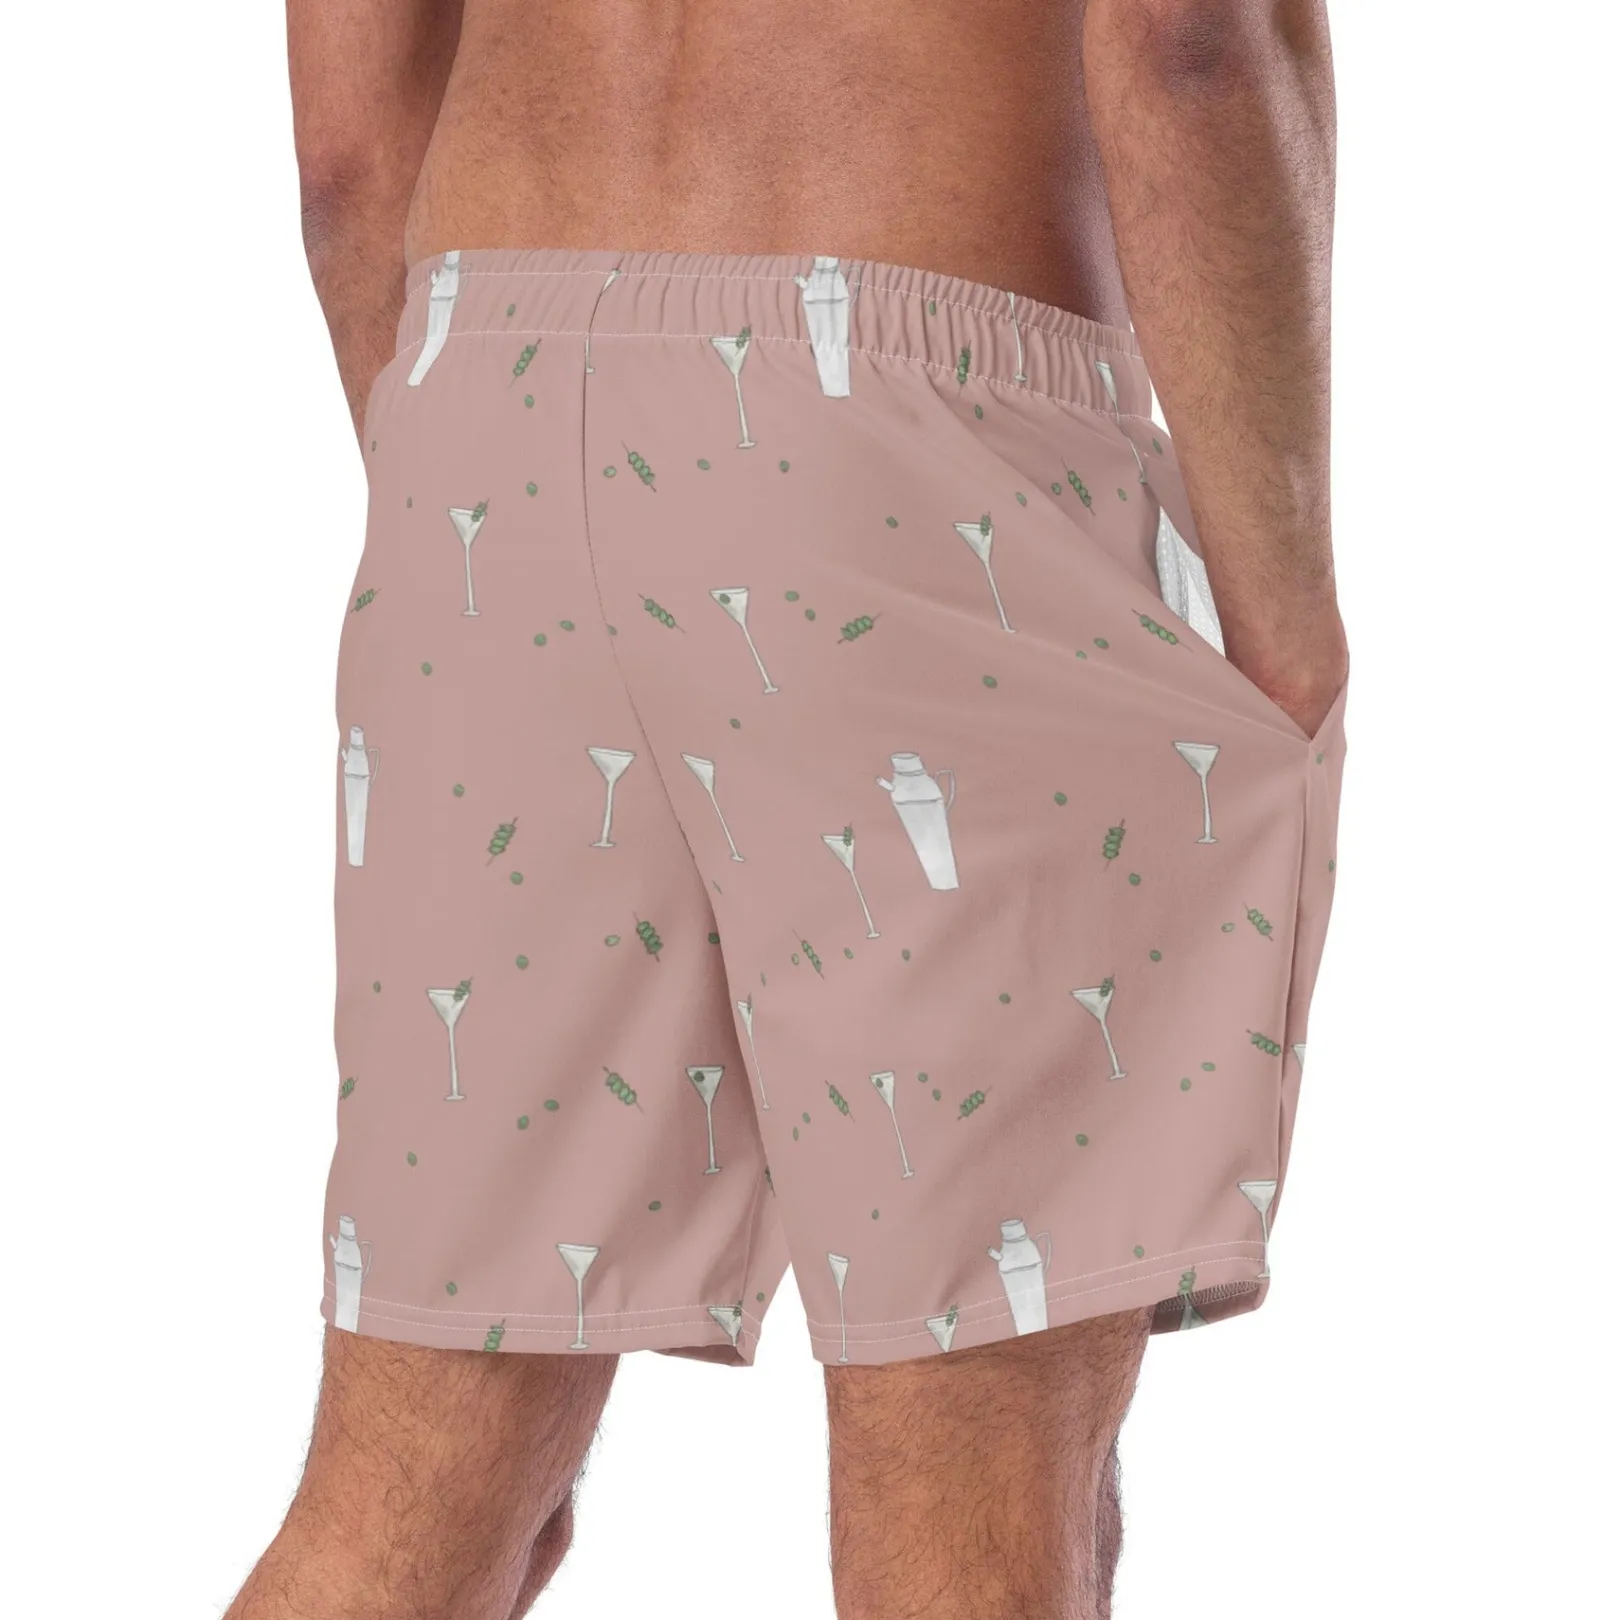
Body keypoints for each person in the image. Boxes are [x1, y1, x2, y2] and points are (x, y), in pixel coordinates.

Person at [231, 1, 1348, 1614]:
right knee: (977, 1479)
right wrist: (1289, 637)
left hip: (485, 396)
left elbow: (346, 154)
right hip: (910, 432)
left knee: (413, 1493)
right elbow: (1191, 40)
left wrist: (496, 504)